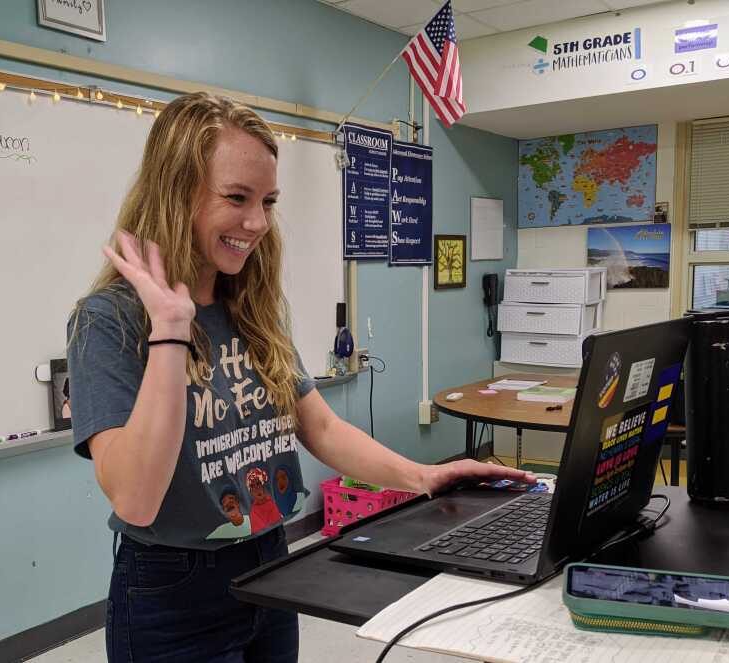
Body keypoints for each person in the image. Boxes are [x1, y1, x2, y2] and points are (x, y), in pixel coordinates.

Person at [67, 92, 535, 663]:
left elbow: (321, 428)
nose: (257, 222)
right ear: (175, 191)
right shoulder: (109, 321)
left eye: (267, 200)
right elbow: (136, 500)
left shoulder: (249, 303)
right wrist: (170, 328)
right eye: (236, 198)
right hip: (172, 585)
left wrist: (422, 476)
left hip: (270, 558)